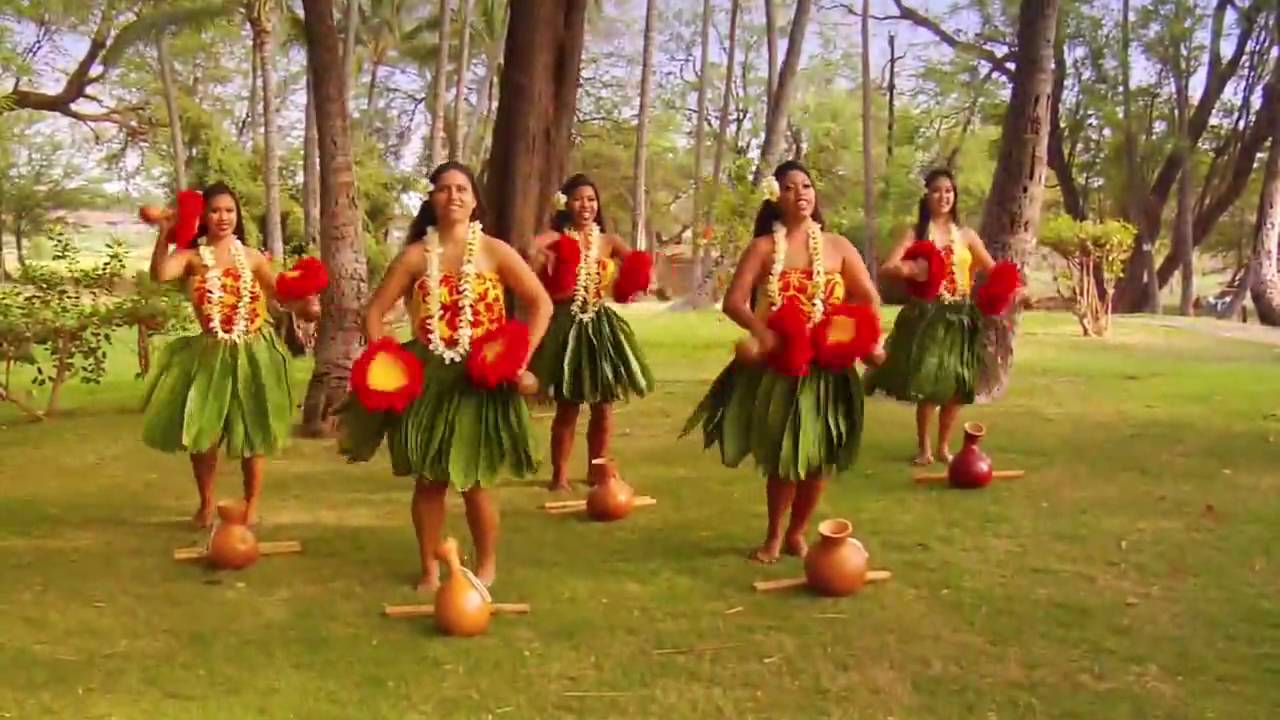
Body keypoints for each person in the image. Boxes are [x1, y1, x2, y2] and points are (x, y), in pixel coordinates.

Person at [339, 162, 552, 592]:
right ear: (432, 200)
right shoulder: (417, 256)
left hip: (484, 375)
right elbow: (374, 313)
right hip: (429, 373)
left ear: (474, 201)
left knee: (474, 480)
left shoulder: (495, 250)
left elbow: (540, 304)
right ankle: (430, 569)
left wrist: (518, 360)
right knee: (430, 479)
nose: (452, 195)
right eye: (443, 189)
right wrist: (386, 361)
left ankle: (486, 566)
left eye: (461, 189)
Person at [682, 161, 883, 564]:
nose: (800, 193)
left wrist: (846, 335)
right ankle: (774, 534)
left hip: (827, 365)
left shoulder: (839, 246)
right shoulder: (762, 248)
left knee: (818, 458)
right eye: (790, 188)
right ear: (777, 198)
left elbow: (868, 298)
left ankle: (797, 533)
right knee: (785, 457)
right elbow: (734, 302)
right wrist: (763, 332)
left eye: (806, 185)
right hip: (782, 365)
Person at [143, 182, 312, 528]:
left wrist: (305, 305)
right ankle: (206, 505)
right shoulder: (191, 257)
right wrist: (164, 234)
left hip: (254, 353)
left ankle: (251, 504)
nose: (223, 217)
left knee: (254, 432)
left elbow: (278, 297)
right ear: (204, 216)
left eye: (229, 211)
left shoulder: (251, 257)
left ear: (237, 216)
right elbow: (159, 274)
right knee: (204, 434)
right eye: (215, 210)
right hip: (210, 353)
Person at [526, 174, 655, 492]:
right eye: (578, 199)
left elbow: (638, 263)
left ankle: (597, 470)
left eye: (591, 199)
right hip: (566, 326)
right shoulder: (555, 236)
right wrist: (549, 254)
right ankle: (560, 475)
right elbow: (527, 247)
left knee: (604, 406)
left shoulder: (608, 242)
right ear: (565, 204)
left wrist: (636, 278)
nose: (586, 205)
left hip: (599, 326)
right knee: (568, 406)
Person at [864, 168, 998, 465]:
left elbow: (992, 270)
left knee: (957, 386)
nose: (943, 196)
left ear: (955, 195)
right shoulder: (915, 234)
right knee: (930, 385)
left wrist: (1015, 288)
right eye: (937, 190)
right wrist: (911, 269)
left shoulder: (966, 236)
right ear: (927, 196)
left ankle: (944, 447)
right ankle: (924, 447)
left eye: (949, 191)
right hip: (929, 314)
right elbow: (888, 267)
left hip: (960, 315)